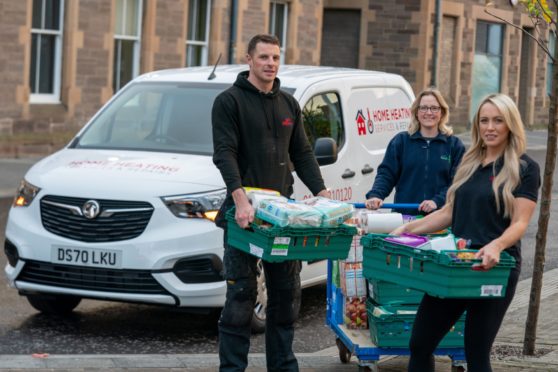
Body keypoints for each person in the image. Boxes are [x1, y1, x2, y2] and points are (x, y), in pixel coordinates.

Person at [391, 93, 541, 371]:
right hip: (456, 264)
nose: (490, 127)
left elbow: (520, 223)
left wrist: (496, 245)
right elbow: (448, 212)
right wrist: (407, 228)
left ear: (510, 124)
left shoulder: (524, 168)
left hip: (495, 268)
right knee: (420, 343)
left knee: (476, 350)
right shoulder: (469, 162)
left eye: (498, 120)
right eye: (484, 120)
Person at [211, 34, 328, 372]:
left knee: (286, 297)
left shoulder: (289, 104)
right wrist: (240, 200)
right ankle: (232, 369)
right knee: (240, 299)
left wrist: (321, 193)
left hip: (282, 218)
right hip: (242, 216)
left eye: (275, 57)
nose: (270, 63)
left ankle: (283, 367)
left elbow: (303, 153)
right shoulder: (228, 102)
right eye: (263, 57)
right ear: (249, 59)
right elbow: (225, 154)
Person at [365, 88, 465, 216]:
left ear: (442, 112)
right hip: (405, 217)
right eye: (423, 108)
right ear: (416, 112)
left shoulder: (454, 145)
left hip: (440, 219)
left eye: (434, 108)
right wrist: (376, 195)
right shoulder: (401, 142)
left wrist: (437, 201)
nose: (429, 112)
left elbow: (458, 183)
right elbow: (386, 174)